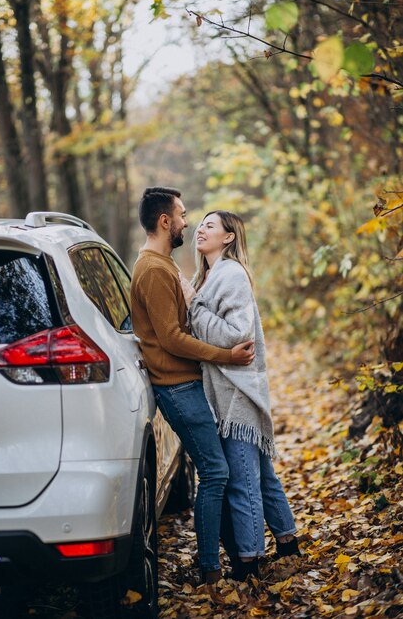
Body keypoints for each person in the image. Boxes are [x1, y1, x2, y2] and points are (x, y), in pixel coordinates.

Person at [130, 187, 255, 585]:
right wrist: (226, 356)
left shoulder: (162, 266)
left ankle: (236, 560)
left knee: (217, 472)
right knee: (216, 472)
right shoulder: (152, 270)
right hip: (177, 387)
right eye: (183, 215)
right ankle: (210, 568)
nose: (187, 222)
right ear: (165, 221)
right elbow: (171, 338)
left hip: (187, 383)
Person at [179, 210, 299, 581]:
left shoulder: (229, 274)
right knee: (261, 474)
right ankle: (288, 539)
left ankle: (248, 560)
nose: (201, 229)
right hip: (231, 389)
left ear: (228, 237)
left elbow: (235, 335)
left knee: (241, 481)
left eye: (210, 226)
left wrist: (193, 303)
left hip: (238, 393)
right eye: (201, 224)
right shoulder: (210, 275)